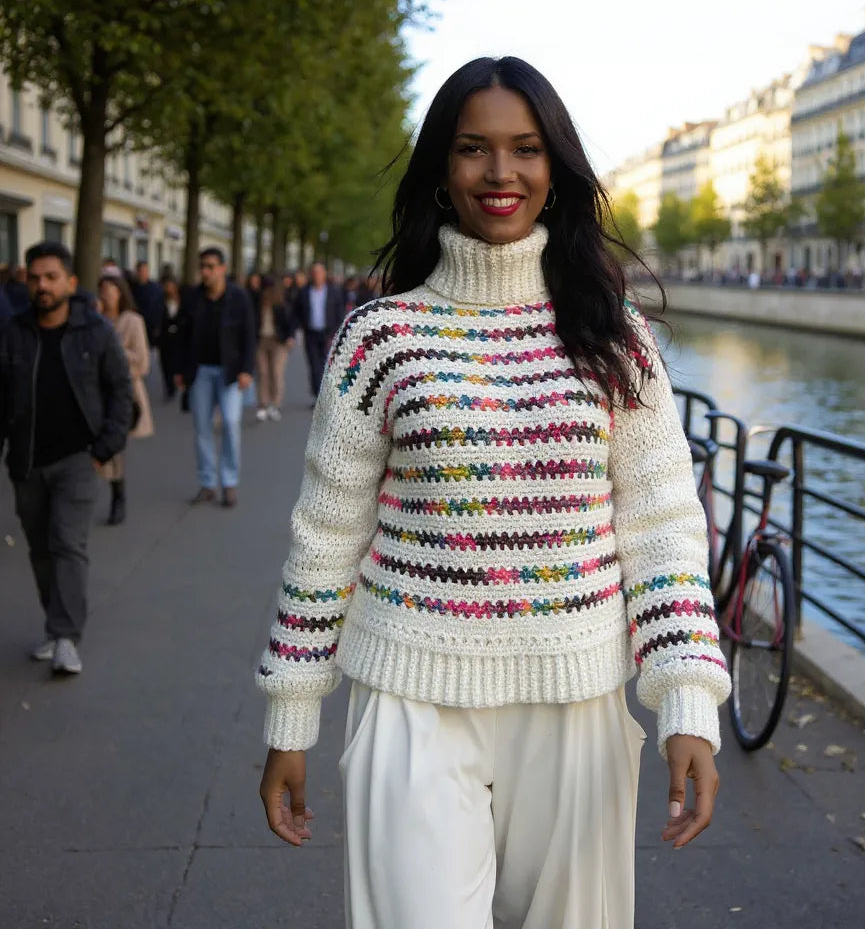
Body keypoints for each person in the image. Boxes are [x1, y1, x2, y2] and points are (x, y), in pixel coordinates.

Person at [255, 57, 730, 929]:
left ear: (556, 170)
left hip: (577, 698)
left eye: (527, 149)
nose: (500, 172)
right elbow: (326, 536)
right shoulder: (379, 339)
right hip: (411, 699)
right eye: (474, 148)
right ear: (442, 168)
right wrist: (291, 714)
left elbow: (663, 525)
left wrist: (687, 699)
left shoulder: (614, 339)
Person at [0, 242, 132, 674]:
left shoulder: (95, 331)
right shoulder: (14, 332)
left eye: (51, 277)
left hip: (79, 460)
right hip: (26, 463)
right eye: (35, 277)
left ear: (71, 282)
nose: (42, 285)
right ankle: (55, 629)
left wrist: (104, 449)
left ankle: (66, 637)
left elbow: (121, 391)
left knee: (68, 545)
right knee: (40, 550)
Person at [174, 246, 255, 507]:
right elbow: (181, 335)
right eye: (202, 267)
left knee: (230, 423)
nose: (205, 272)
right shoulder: (192, 297)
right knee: (202, 428)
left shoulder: (238, 297)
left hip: (230, 372)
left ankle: (229, 482)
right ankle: (207, 483)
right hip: (200, 371)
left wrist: (247, 369)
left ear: (222, 268)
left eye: (210, 267)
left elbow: (248, 335)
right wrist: (179, 369)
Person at [96, 274, 154, 525]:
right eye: (102, 290)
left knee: (115, 444)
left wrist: (114, 353)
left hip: (124, 393)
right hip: (96, 393)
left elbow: (142, 363)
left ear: (120, 293)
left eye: (111, 289)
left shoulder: (133, 321)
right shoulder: (95, 320)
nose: (106, 295)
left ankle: (118, 495)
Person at [292, 260, 343, 404]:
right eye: (314, 272)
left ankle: (328, 395)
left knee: (328, 365)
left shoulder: (333, 292)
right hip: (311, 334)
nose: (317, 275)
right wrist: (293, 332)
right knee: (314, 365)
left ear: (324, 274)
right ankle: (318, 396)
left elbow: (339, 312)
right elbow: (297, 312)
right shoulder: (304, 292)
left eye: (319, 272)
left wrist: (337, 331)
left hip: (328, 334)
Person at [255, 277, 295, 422]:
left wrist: (290, 337)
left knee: (276, 372)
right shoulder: (257, 304)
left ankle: (275, 404)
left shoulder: (281, 305)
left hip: (278, 342)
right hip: (261, 341)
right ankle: (263, 404)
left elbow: (289, 321)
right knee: (263, 373)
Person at [157, 277, 185, 402]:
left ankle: (176, 384)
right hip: (165, 338)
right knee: (165, 364)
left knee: (176, 363)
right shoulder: (161, 301)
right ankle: (169, 388)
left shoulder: (182, 301)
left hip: (178, 338)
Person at [131, 260, 164, 347]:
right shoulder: (132, 288)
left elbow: (160, 308)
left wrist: (158, 325)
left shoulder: (156, 288)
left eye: (145, 270)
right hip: (137, 324)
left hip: (151, 326)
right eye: (141, 271)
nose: (143, 273)